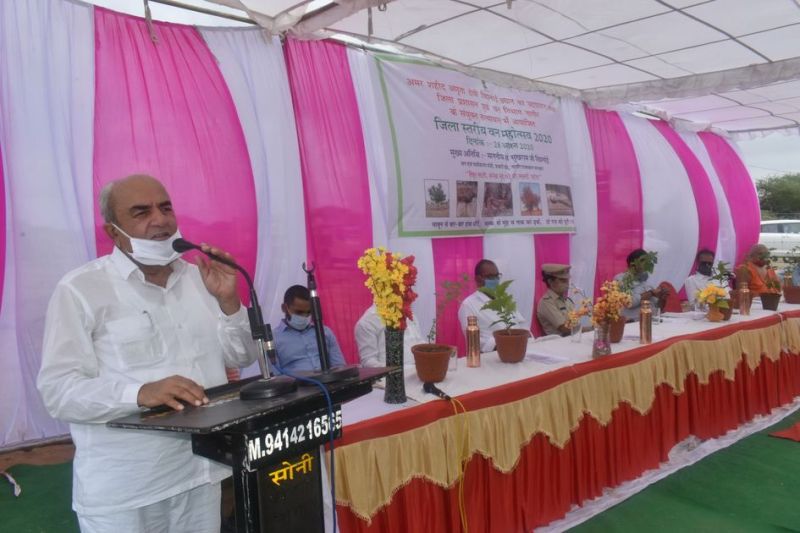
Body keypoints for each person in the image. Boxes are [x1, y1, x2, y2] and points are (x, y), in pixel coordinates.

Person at [37, 175, 258, 533]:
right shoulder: (81, 289)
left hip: (201, 473)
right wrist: (139, 393)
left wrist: (229, 303)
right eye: (141, 212)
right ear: (113, 232)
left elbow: (241, 356)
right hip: (127, 489)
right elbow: (58, 391)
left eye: (165, 208)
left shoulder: (200, 277)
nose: (160, 220)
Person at [458, 259, 527, 352]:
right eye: (490, 277)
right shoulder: (468, 305)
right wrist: (501, 343)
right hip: (494, 354)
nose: (495, 280)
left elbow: (521, 323)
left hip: (521, 347)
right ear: (478, 279)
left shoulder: (505, 299)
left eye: (497, 276)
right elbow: (473, 339)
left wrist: (526, 336)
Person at [273, 285, 346, 373]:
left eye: (308, 312)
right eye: (299, 312)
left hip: (328, 380)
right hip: (297, 382)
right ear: (284, 308)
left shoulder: (325, 332)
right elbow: (275, 377)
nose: (304, 316)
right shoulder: (273, 340)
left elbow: (339, 367)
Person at [354, 304, 425, 367]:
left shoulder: (409, 314)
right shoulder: (367, 323)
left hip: (420, 371)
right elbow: (369, 362)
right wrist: (397, 370)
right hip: (391, 376)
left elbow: (419, 342)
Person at [614, 249, 669, 321]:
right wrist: (651, 293)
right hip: (632, 322)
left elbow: (658, 308)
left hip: (652, 321)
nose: (646, 264)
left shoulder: (646, 282)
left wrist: (662, 298)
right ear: (632, 264)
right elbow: (629, 303)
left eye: (647, 261)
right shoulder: (621, 279)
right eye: (643, 260)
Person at [536, 264, 575, 336]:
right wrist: (588, 329)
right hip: (559, 341)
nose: (567, 284)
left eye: (567, 280)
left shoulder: (568, 300)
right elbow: (564, 328)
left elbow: (576, 323)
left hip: (572, 339)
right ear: (550, 282)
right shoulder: (546, 302)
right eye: (563, 281)